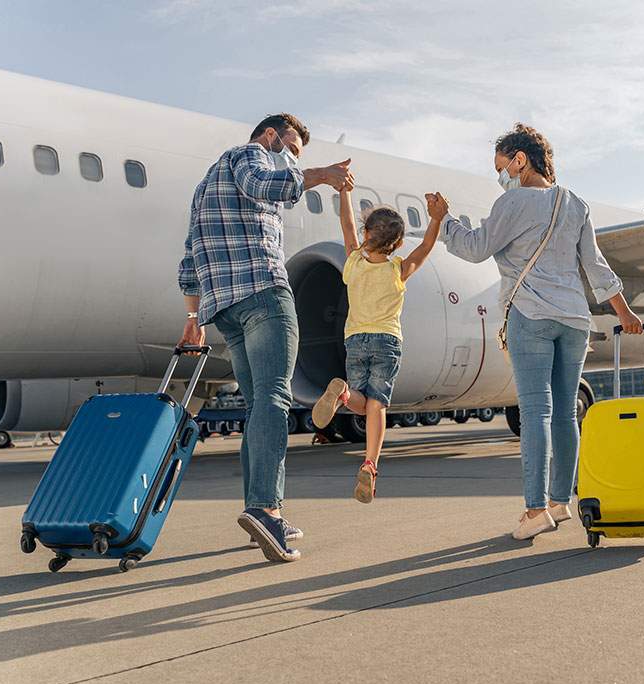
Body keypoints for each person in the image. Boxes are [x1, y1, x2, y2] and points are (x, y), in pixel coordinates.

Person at [441, 123, 644, 540]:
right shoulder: (575, 203)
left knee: (536, 412)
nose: (501, 178)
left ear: (520, 159)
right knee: (567, 412)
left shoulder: (511, 202)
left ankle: (535, 511)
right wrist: (624, 313)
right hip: (574, 321)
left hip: (530, 316)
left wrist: (444, 222)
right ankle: (559, 502)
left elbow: (475, 248)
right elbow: (596, 267)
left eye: (502, 167)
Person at [178, 113, 353, 563]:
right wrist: (321, 176)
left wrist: (193, 317)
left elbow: (188, 257)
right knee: (275, 400)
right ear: (272, 136)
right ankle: (266, 508)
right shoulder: (250, 155)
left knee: (259, 407)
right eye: (292, 149)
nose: (293, 159)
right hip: (262, 294)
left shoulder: (204, 187)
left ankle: (261, 509)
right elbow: (265, 185)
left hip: (225, 310)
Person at [311, 184, 448, 502]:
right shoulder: (398, 270)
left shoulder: (353, 263)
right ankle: (370, 464)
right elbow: (426, 247)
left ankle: (343, 393)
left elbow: (346, 225)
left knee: (360, 400)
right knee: (377, 405)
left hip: (356, 339)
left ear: (367, 232)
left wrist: (344, 192)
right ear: (397, 243)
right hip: (387, 340)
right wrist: (436, 219)